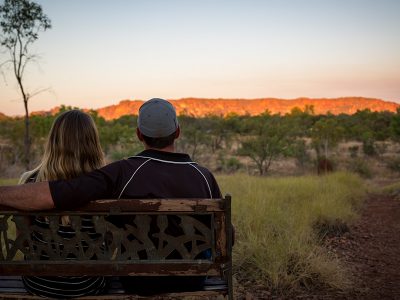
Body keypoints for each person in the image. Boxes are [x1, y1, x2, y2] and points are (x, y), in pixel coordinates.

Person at [0, 98, 222, 294]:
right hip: (193, 278)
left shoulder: (122, 172)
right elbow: (223, 235)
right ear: (178, 132)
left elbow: (62, 193)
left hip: (138, 281)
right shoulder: (205, 176)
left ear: (139, 134)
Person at [19, 110, 106, 298]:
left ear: (53, 141)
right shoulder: (104, 184)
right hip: (88, 284)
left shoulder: (29, 183)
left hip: (39, 283)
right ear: (92, 143)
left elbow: (23, 240)